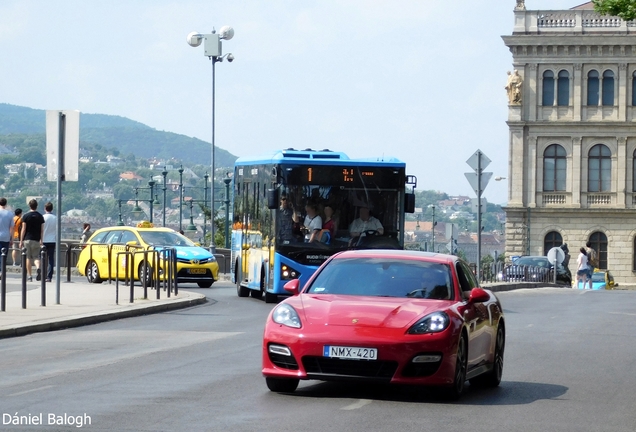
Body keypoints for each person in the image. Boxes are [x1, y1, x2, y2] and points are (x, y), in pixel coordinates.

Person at [19, 199, 45, 282]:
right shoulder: (40, 216)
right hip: (36, 239)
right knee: (36, 257)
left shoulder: (26, 216)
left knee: (28, 258)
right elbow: (41, 230)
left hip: (27, 239)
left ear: (29, 206)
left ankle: (30, 276)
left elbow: (23, 229)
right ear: (36, 206)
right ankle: (38, 268)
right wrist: (41, 240)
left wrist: (21, 240)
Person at [42, 202, 56, 283]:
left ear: (45, 209)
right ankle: (49, 276)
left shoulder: (43, 217)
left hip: (43, 240)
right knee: (51, 259)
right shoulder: (55, 218)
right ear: (52, 209)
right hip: (52, 240)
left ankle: (42, 274)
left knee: (42, 258)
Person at [0, 198, 15, 275]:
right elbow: (12, 227)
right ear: (5, 204)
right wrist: (11, 238)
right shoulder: (9, 214)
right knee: (4, 255)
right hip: (6, 237)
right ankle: (2, 270)